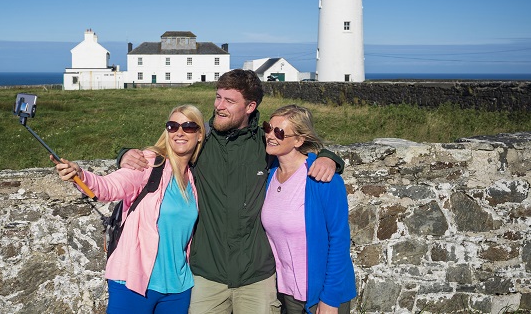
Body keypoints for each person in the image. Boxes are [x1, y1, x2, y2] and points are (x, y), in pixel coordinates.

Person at [119, 69, 345, 314]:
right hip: (207, 275)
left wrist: (329, 158)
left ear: (250, 106)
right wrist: (124, 154)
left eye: (229, 101)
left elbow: (298, 151)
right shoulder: (201, 141)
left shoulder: (265, 143)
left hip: (256, 277)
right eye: (218, 97)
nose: (219, 106)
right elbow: (167, 147)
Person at [53, 104, 206, 314]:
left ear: (199, 135)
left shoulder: (194, 177)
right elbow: (109, 187)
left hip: (178, 288)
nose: (179, 132)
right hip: (133, 282)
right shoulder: (150, 163)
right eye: (173, 126)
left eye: (188, 126)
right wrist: (80, 175)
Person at [261, 104, 356, 314]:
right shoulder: (270, 174)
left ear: (299, 140)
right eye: (268, 127)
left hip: (321, 295)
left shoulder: (321, 178)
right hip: (287, 295)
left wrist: (330, 299)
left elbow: (339, 241)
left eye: (279, 132)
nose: (270, 135)